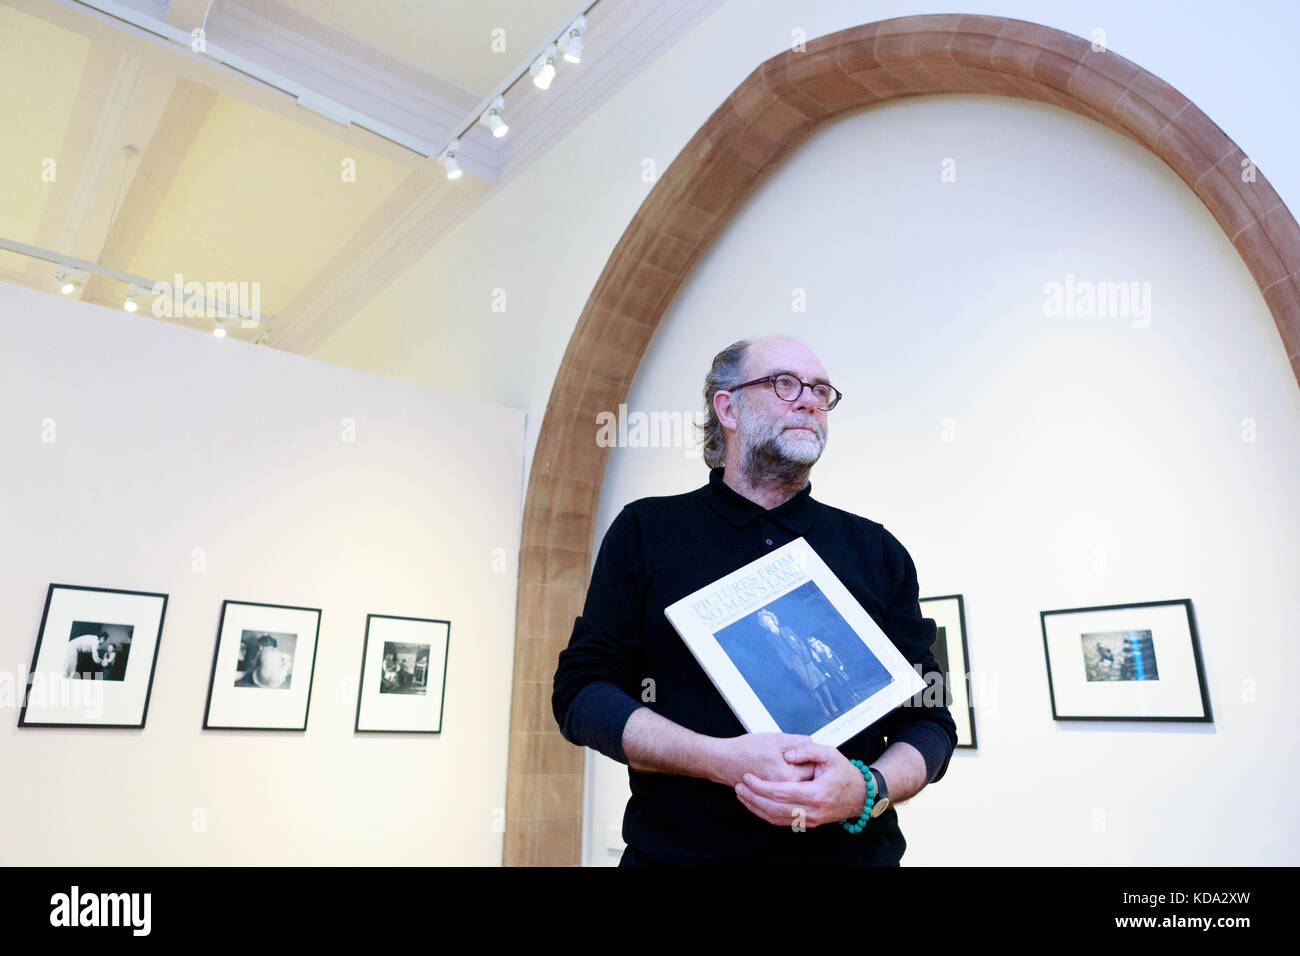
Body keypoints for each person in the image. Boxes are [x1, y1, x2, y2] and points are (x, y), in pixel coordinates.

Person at [552, 336, 957, 866]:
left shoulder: (876, 550)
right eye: (785, 384)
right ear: (728, 408)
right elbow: (582, 693)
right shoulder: (646, 532)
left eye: (821, 391)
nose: (810, 400)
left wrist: (868, 788)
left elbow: (930, 717)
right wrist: (718, 759)